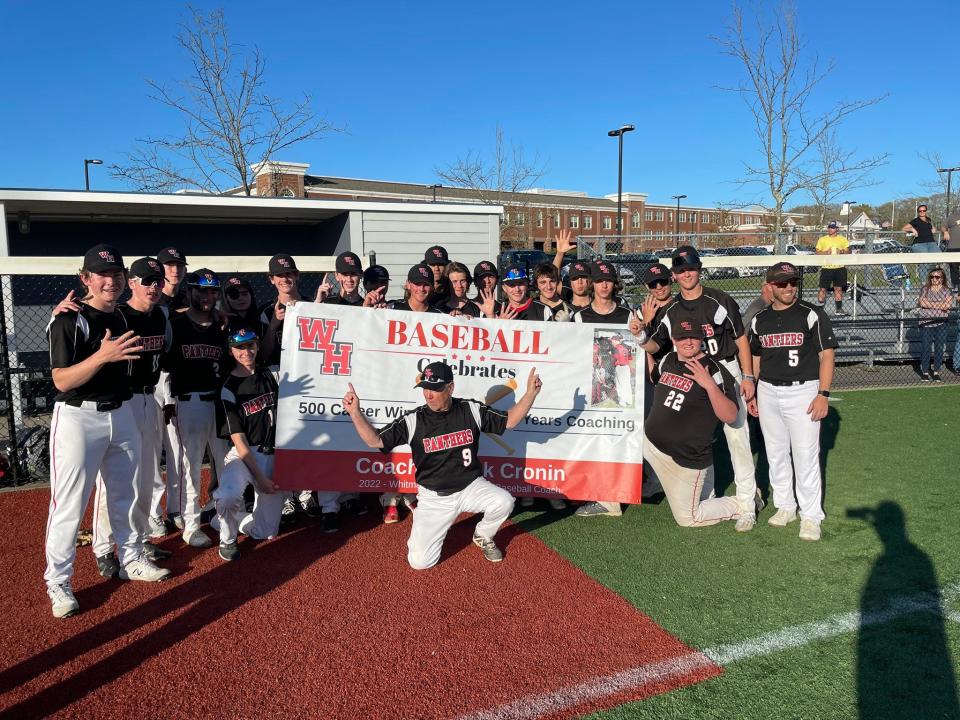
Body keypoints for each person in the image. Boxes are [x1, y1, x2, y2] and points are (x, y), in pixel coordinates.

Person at [45, 244, 170, 618]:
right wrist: (102, 356)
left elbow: (163, 306)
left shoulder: (121, 317)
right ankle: (59, 581)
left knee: (127, 495)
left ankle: (131, 558)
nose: (110, 280)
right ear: (85, 278)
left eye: (116, 274)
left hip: (121, 413)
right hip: (78, 417)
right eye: (102, 274)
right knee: (69, 504)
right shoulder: (69, 319)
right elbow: (61, 380)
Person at [342, 362, 542, 568]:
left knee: (504, 501)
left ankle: (483, 535)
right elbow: (376, 441)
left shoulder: (470, 409)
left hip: (470, 486)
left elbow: (509, 421)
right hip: (434, 498)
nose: (429, 394)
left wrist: (530, 395)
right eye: (425, 388)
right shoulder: (414, 420)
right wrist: (355, 413)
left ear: (450, 388)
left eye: (435, 389)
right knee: (420, 563)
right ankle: (424, 523)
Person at [638, 246, 760, 532]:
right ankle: (710, 495)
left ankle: (746, 504)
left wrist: (748, 376)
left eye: (690, 268)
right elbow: (658, 344)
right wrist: (641, 335)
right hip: (692, 372)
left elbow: (740, 339)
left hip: (724, 369)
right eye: (680, 270)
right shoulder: (672, 310)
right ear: (675, 275)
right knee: (702, 437)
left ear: (699, 269)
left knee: (737, 439)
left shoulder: (718, 299)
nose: (686, 274)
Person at [92, 257, 174, 576]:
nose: (153, 287)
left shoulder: (160, 316)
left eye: (158, 281)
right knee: (113, 480)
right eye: (146, 281)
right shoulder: (119, 316)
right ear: (132, 282)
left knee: (145, 477)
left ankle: (138, 541)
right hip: (121, 401)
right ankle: (103, 548)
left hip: (149, 398)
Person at [747, 262, 838, 542]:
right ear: (770, 286)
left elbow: (827, 355)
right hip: (769, 391)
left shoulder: (811, 314)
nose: (788, 288)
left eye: (792, 283)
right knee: (775, 453)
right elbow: (756, 356)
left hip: (803, 391)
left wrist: (823, 394)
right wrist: (753, 385)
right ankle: (785, 505)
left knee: (805, 455)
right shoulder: (759, 319)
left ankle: (811, 516)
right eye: (782, 283)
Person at [643, 312, 750, 529]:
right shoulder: (669, 359)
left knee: (689, 518)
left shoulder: (715, 369)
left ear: (701, 338)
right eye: (682, 337)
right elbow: (653, 375)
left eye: (692, 337)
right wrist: (642, 341)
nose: (688, 342)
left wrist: (709, 385)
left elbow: (730, 415)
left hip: (685, 461)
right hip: (651, 446)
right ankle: (617, 495)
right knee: (617, 437)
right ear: (674, 340)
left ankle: (742, 504)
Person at [164, 268, 230, 548]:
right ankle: (191, 525)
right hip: (187, 401)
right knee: (189, 466)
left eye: (213, 291)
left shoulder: (221, 324)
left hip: (217, 401)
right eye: (202, 290)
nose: (207, 296)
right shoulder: (175, 322)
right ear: (189, 291)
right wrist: (168, 400)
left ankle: (225, 516)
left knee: (226, 462)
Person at [212, 328, 286, 561]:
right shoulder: (228, 388)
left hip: (274, 453)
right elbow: (240, 443)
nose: (246, 351)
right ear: (231, 351)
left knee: (267, 532)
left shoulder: (272, 374)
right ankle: (227, 537)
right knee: (227, 496)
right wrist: (260, 478)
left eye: (250, 345)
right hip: (245, 455)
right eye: (240, 347)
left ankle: (228, 518)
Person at [573, 260, 635, 518]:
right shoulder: (580, 316)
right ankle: (599, 491)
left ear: (614, 283)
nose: (604, 285)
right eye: (599, 281)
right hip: (593, 380)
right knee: (594, 438)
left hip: (621, 378)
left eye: (608, 280)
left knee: (617, 437)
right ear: (592, 284)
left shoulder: (627, 314)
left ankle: (613, 498)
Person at [260, 253, 304, 369]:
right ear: (272, 279)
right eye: (279, 275)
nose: (284, 279)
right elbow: (263, 355)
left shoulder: (310, 305)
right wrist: (273, 326)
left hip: (307, 370)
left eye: (288, 274)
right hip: (278, 373)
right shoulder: (267, 312)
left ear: (296, 275)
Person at [916, 268, 953, 382]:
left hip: (941, 323)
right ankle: (925, 372)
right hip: (927, 322)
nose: (934, 279)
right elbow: (922, 303)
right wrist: (940, 305)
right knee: (926, 348)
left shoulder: (947, 290)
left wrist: (930, 305)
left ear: (942, 278)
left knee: (939, 348)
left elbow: (948, 306)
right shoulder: (925, 289)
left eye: (937, 277)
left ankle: (936, 371)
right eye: (932, 277)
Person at [815, 222, 850, 316]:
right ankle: (819, 310)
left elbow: (848, 251)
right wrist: (826, 253)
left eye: (832, 228)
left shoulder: (842, 239)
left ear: (837, 229)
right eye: (829, 227)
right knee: (823, 288)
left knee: (838, 289)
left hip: (839, 267)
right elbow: (817, 252)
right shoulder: (822, 239)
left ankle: (838, 309)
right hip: (826, 268)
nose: (830, 229)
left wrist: (842, 251)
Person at [903, 204, 940, 280]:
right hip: (919, 244)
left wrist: (934, 229)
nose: (922, 212)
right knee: (925, 261)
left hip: (931, 243)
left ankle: (939, 282)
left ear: (926, 211)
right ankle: (924, 283)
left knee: (942, 259)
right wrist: (913, 229)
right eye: (920, 211)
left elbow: (933, 229)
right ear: (918, 212)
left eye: (924, 210)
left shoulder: (929, 220)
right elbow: (904, 228)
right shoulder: (915, 220)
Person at [156, 246, 190, 312]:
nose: (176, 270)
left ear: (185, 271)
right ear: (159, 269)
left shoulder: (190, 300)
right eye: (170, 265)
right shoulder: (150, 297)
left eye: (180, 266)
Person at [943, 210, 960, 291]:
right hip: (953, 247)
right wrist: (945, 232)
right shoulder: (952, 216)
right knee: (954, 268)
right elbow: (943, 226)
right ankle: (956, 285)